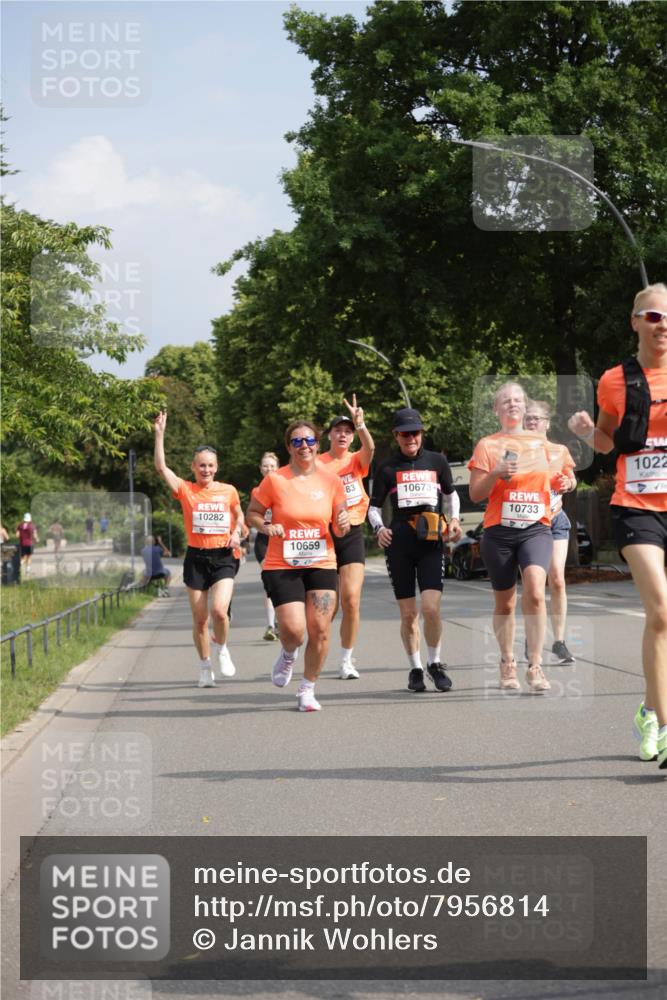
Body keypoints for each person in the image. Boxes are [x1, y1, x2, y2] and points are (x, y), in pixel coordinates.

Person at [569, 282, 667, 769]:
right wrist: (590, 433)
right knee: (661, 612)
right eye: (653, 316)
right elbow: (608, 442)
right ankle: (665, 728)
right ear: (635, 322)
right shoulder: (614, 380)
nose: (663, 325)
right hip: (637, 506)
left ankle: (649, 710)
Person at [246, 420, 350, 712]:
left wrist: (343, 523)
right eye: (297, 441)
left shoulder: (332, 481)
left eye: (309, 440)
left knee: (321, 630)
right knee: (294, 630)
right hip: (283, 563)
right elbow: (253, 513)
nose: (304, 446)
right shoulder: (275, 480)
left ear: (317, 444)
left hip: (321, 560)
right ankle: (288, 653)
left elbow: (340, 525)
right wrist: (266, 527)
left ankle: (307, 689)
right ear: (289, 447)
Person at [368, 408, 461, 693]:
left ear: (422, 434)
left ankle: (435, 663)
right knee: (409, 614)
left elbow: (451, 494)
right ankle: (416, 668)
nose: (411, 438)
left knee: (431, 609)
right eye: (405, 434)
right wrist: (379, 529)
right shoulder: (386, 467)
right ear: (395, 436)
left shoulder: (437, 461)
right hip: (400, 545)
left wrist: (455, 520)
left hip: (431, 542)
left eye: (415, 433)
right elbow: (373, 507)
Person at [468, 382, 553, 693]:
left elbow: (559, 479)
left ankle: (535, 665)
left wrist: (567, 482)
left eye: (518, 399)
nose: (512, 404)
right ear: (496, 410)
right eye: (506, 401)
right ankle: (507, 661)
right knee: (505, 604)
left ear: (525, 406)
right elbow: (476, 493)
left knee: (535, 592)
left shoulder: (542, 444)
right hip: (499, 532)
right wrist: (495, 473)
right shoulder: (487, 445)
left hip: (535, 528)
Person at [154, 411, 245, 688]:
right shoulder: (186, 490)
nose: (206, 470)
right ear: (193, 467)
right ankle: (205, 667)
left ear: (217, 468)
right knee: (200, 619)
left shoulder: (228, 491)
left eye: (210, 465)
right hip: (196, 558)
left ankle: (222, 647)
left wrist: (236, 531)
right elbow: (161, 468)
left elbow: (239, 515)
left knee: (219, 611)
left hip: (223, 556)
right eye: (201, 465)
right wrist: (159, 434)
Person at [319, 395, 375, 679]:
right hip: (325, 536)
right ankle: (313, 651)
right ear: (329, 435)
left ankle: (346, 660)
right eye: (338, 430)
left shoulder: (355, 460)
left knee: (351, 599)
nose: (343, 434)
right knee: (328, 607)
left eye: (348, 431)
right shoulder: (317, 463)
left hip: (352, 532)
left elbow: (370, 448)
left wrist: (360, 424)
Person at [523, 400, 577, 663]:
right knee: (534, 585)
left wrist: (568, 483)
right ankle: (532, 636)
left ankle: (559, 642)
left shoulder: (560, 451)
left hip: (556, 520)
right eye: (528, 418)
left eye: (536, 418)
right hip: (530, 522)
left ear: (546, 423)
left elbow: (572, 479)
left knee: (557, 579)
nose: (532, 422)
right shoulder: (516, 451)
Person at [252, 452, 280, 641]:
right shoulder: (257, 491)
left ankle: (281, 619)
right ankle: (270, 625)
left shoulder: (286, 488)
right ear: (261, 469)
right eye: (265, 466)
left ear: (277, 468)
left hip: (282, 541)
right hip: (264, 542)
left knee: (282, 582)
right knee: (270, 581)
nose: (268, 469)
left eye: (272, 466)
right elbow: (254, 516)